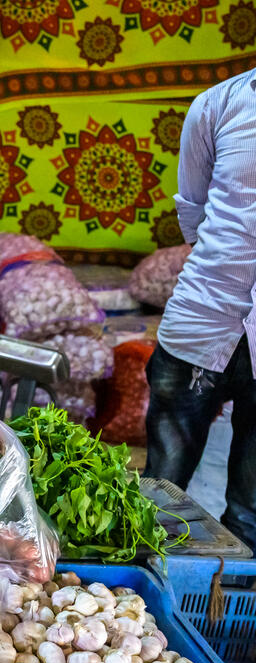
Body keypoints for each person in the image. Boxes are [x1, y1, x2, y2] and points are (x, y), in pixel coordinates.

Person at [144, 67, 256, 551]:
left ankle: (227, 616)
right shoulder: (217, 105)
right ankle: (141, 609)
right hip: (200, 320)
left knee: (251, 516)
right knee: (156, 503)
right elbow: (192, 208)